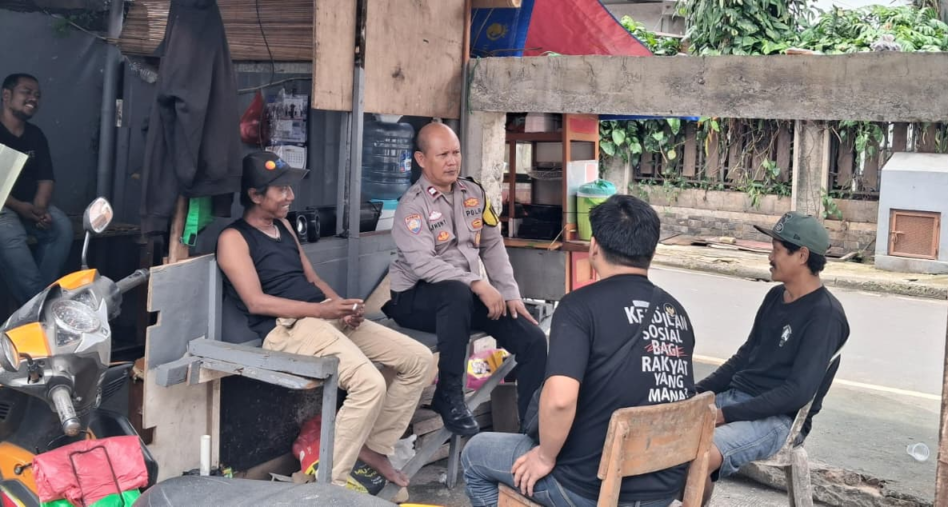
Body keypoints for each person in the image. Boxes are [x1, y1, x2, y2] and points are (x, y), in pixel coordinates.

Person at [217, 152, 434, 491]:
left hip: (322, 316)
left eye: (289, 188)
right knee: (369, 384)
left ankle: (373, 447)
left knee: (418, 359)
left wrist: (341, 307)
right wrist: (322, 311)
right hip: (287, 328)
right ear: (255, 195)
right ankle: (328, 487)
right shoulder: (233, 239)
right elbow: (256, 302)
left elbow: (312, 278)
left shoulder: (284, 226)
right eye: (281, 190)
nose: (290, 196)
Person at [461, 195, 696, 507]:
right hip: (662, 489)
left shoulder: (579, 307)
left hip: (589, 486)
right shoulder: (676, 313)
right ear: (652, 251)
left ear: (594, 247)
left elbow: (560, 400)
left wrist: (544, 457)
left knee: (476, 454)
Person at [384, 122, 548, 436]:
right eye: (443, 155)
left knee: (533, 339)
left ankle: (533, 431)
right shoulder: (412, 206)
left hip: (464, 298)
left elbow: (492, 246)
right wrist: (477, 283)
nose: (452, 161)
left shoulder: (473, 193)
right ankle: (449, 393)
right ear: (421, 159)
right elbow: (423, 265)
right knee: (455, 292)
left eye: (456, 153)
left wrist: (509, 294)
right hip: (414, 299)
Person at [693, 212, 850, 503]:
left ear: (802, 256)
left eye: (776, 250)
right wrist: (695, 393)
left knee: (698, 455)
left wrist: (726, 415)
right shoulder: (775, 297)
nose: (770, 257)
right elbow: (743, 359)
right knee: (660, 436)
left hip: (778, 420)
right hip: (737, 399)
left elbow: (796, 393)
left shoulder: (825, 316)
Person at [0, 73, 72, 304]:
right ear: (6, 95)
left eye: (38, 95)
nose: (34, 98)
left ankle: (37, 300)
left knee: (61, 228)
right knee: (11, 238)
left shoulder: (35, 135)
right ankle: (41, 306)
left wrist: (40, 209)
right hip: (3, 206)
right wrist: (19, 207)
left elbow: (46, 178)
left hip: (30, 205)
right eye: (27, 92)